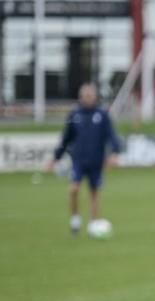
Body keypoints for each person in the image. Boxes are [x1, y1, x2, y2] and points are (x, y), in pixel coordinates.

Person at [49, 82, 121, 236]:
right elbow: (66, 138)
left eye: (90, 95)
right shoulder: (74, 115)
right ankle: (75, 220)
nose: (87, 98)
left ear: (95, 97)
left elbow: (111, 135)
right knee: (73, 189)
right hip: (78, 161)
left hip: (96, 161)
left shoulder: (102, 115)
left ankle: (93, 225)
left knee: (94, 193)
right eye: (85, 95)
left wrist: (114, 152)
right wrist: (55, 157)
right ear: (80, 96)